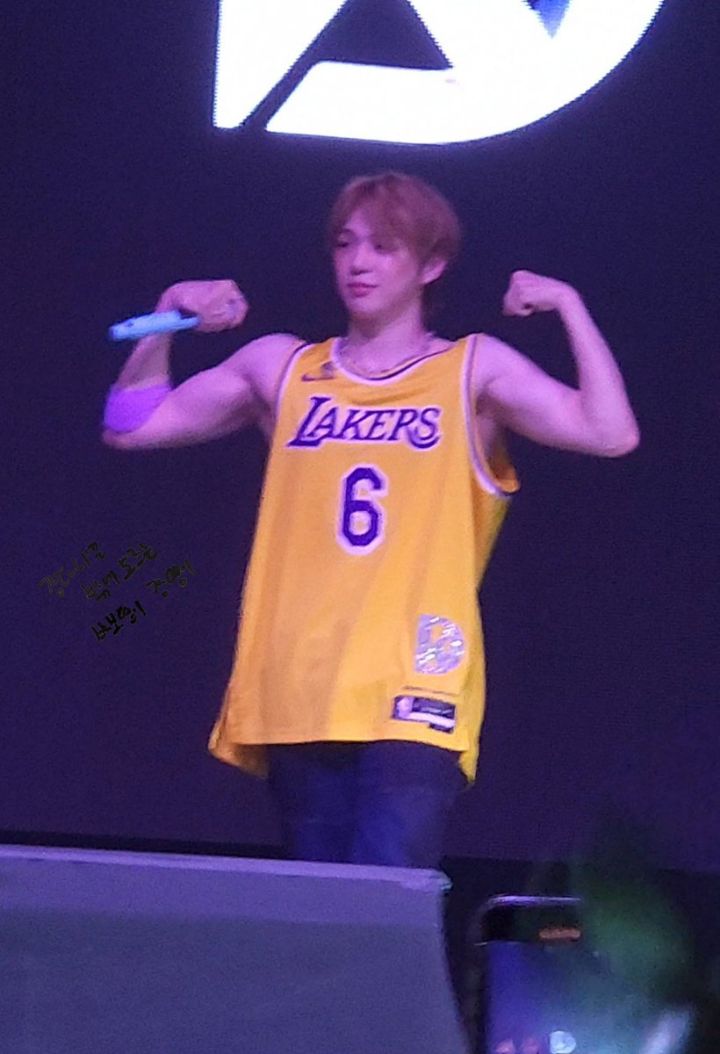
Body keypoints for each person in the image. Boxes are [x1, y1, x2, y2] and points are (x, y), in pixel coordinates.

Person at [102, 171, 639, 870]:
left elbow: (610, 432)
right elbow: (130, 425)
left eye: (384, 247)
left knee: (387, 893)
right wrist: (168, 314)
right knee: (323, 907)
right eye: (345, 244)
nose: (358, 262)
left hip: (415, 676)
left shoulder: (470, 370)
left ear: (431, 264)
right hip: (302, 674)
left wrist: (569, 305)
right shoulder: (283, 367)